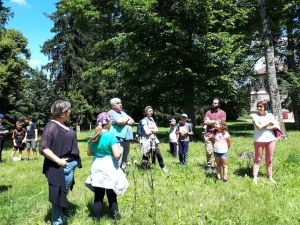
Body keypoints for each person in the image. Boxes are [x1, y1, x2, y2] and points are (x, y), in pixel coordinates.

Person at [39, 100, 82, 225]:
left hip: (69, 165)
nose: (70, 112)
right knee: (57, 195)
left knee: (63, 193)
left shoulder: (64, 125)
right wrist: (58, 161)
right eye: (68, 110)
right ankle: (57, 222)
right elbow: (43, 148)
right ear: (63, 113)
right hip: (59, 167)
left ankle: (61, 216)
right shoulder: (51, 126)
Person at [85, 112, 129, 221]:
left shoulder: (93, 135)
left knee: (98, 196)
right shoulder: (110, 136)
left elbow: (89, 153)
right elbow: (117, 154)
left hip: (97, 166)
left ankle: (96, 219)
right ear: (109, 123)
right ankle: (115, 218)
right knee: (112, 195)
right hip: (109, 166)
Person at [252, 101, 279, 184]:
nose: (259, 108)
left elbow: (276, 126)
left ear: (265, 107)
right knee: (258, 159)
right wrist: (268, 123)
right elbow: (259, 127)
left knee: (269, 159)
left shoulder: (270, 115)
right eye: (258, 106)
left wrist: (266, 126)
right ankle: (255, 177)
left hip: (270, 140)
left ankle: (270, 176)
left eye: (261, 106)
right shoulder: (254, 116)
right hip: (259, 140)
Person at [108, 98, 135, 171]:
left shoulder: (122, 113)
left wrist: (124, 120)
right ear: (113, 105)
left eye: (121, 103)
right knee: (118, 158)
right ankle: (116, 176)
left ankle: (123, 175)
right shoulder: (111, 113)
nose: (120, 104)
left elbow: (132, 122)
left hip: (126, 139)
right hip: (118, 140)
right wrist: (126, 119)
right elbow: (119, 122)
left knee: (125, 160)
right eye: (118, 103)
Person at [140, 106, 168, 172]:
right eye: (149, 111)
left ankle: (162, 167)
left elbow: (157, 130)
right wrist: (153, 130)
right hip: (147, 140)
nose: (151, 112)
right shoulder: (144, 120)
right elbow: (147, 132)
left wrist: (151, 130)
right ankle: (145, 167)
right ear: (146, 112)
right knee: (146, 154)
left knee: (158, 154)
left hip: (154, 139)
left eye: (151, 111)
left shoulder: (152, 119)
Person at [203, 97, 226, 173]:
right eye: (213, 102)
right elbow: (205, 122)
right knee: (208, 151)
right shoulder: (208, 112)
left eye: (215, 103)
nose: (213, 104)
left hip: (218, 135)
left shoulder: (222, 113)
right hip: (208, 134)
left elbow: (221, 122)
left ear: (219, 104)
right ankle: (209, 165)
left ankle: (216, 166)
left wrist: (211, 121)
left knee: (217, 151)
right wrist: (215, 121)